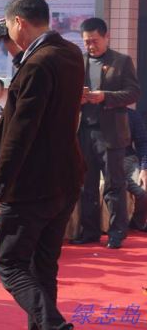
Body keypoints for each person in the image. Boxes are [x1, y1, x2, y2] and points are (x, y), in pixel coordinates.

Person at [0, 0, 85, 330]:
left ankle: (55, 325)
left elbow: (20, 134)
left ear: (18, 22)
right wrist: (18, 55)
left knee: (10, 265)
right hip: (65, 179)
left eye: (9, 26)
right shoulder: (70, 53)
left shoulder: (38, 65)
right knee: (42, 269)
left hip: (31, 186)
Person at [72, 17, 140, 249]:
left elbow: (133, 93)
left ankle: (117, 232)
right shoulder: (78, 62)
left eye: (95, 41)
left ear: (106, 37)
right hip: (84, 131)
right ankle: (89, 231)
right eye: (86, 42)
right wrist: (78, 98)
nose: (91, 46)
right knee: (86, 185)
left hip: (110, 133)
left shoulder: (121, 61)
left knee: (114, 185)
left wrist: (105, 96)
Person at [125, 108, 147, 230]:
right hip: (102, 160)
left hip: (128, 159)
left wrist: (144, 168)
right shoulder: (94, 113)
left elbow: (143, 143)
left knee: (143, 190)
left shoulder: (132, 115)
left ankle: (137, 222)